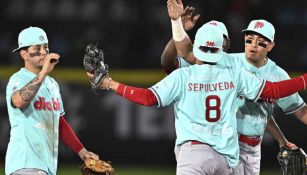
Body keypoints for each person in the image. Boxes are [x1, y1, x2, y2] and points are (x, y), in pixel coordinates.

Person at [87, 24, 307, 175]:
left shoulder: (183, 75)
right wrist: (305, 79)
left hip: (194, 153)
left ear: (197, 47)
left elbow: (148, 98)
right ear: (222, 48)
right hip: (227, 156)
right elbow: (275, 91)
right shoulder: (234, 75)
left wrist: (109, 83)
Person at [166, 0, 307, 174]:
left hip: (253, 149)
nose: (253, 44)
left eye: (261, 41)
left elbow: (267, 112)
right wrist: (176, 23)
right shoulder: (226, 61)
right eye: (250, 39)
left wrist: (281, 140)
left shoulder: (278, 75)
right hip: (225, 144)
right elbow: (185, 52)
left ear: (270, 46)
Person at [6, 26, 99, 175]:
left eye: (46, 47)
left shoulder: (52, 84)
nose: (43, 52)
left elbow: (60, 123)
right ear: (24, 54)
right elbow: (18, 101)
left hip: (46, 166)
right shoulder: (18, 78)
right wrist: (43, 73)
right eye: (37, 48)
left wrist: (82, 152)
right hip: (24, 163)